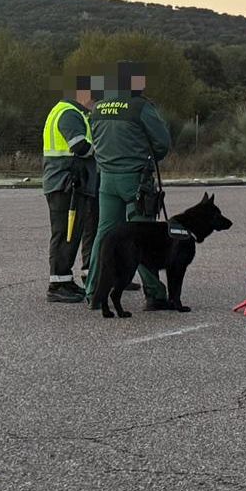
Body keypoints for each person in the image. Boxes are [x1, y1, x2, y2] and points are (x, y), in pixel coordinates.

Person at [84, 61, 174, 310]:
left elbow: (96, 139)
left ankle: (94, 292)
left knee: (104, 234)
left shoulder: (99, 107)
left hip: (107, 179)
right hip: (135, 179)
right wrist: (148, 159)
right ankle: (155, 294)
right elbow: (162, 143)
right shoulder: (140, 106)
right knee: (142, 236)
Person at [40, 76, 98, 303]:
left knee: (71, 234)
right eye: (93, 97)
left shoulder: (72, 112)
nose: (94, 102)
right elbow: (80, 146)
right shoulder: (69, 114)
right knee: (64, 233)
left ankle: (65, 280)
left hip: (69, 183)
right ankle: (57, 285)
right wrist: (102, 148)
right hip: (65, 183)